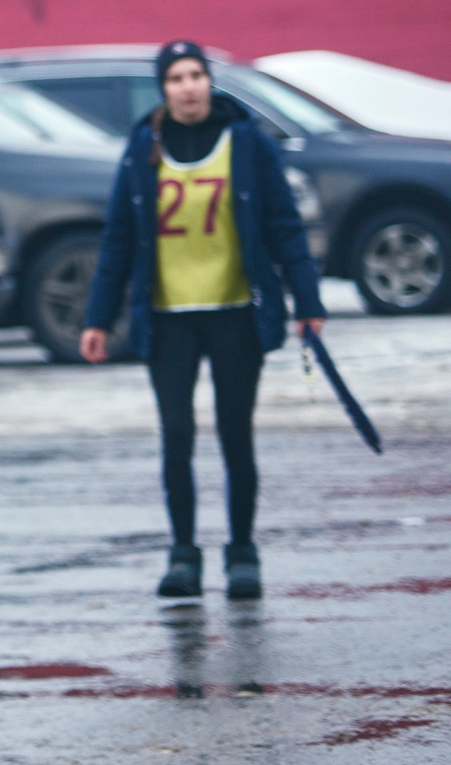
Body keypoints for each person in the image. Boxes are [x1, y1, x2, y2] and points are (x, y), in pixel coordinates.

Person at [81, 41, 323, 601]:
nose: (187, 87)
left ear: (208, 81)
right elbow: (118, 238)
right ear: (163, 89)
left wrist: (309, 304)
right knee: (177, 438)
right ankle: (183, 554)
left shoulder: (248, 143)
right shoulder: (143, 147)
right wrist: (98, 318)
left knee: (236, 436)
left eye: (195, 75)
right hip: (167, 321)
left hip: (235, 314)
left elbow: (285, 227)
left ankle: (242, 553)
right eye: (175, 78)